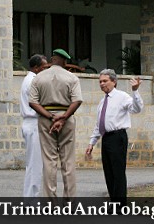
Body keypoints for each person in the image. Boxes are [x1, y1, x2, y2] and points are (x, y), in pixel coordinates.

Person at [29, 48, 83, 198]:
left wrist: (50, 117)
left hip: (46, 119)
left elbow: (32, 102)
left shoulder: (38, 78)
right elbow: (77, 100)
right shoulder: (72, 78)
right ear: (64, 61)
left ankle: (50, 202)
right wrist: (64, 117)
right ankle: (70, 201)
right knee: (68, 161)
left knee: (49, 161)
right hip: (66, 118)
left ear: (52, 59)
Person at [85, 69, 143, 207]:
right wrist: (92, 142)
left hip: (117, 137)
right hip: (106, 138)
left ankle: (120, 204)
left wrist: (135, 91)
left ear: (114, 82)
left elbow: (137, 109)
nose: (102, 84)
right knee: (108, 171)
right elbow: (99, 124)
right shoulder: (102, 102)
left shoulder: (122, 96)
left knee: (117, 171)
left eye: (105, 81)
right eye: (100, 81)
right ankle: (113, 201)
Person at [20, 54, 48, 197]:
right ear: (36, 68)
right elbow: (38, 104)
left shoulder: (29, 79)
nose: (45, 70)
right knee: (35, 164)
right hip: (33, 123)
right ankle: (32, 199)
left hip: (30, 123)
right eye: (43, 67)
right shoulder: (33, 82)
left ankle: (29, 198)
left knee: (33, 164)